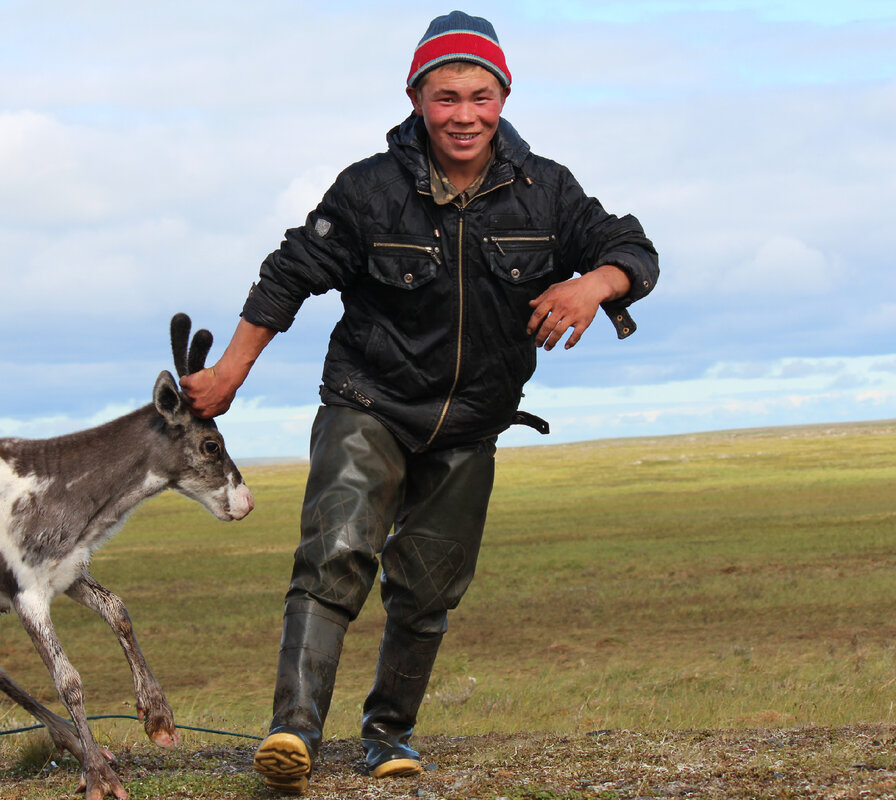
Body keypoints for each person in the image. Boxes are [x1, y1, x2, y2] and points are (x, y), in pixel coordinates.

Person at [180, 10, 659, 795]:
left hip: (471, 423)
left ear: (503, 96)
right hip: (369, 401)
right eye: (444, 97)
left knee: (430, 586)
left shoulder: (548, 193)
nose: (463, 115)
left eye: (479, 96)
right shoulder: (370, 189)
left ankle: (387, 737)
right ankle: (291, 734)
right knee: (336, 553)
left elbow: (634, 249)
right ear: (415, 97)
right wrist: (230, 372)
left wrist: (592, 283)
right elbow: (289, 273)